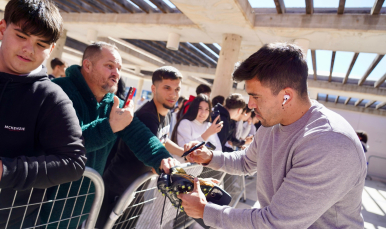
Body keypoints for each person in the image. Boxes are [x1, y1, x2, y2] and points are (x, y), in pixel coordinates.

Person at [179, 43, 367, 229]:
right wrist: (209, 157)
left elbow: (276, 223)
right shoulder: (272, 123)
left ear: (286, 96)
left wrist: (205, 211)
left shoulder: (329, 142)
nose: (250, 105)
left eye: (256, 97)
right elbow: (246, 162)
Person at [43, 42, 178, 228]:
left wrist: (163, 160)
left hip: (82, 207)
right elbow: (67, 141)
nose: (116, 73)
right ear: (88, 65)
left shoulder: (113, 103)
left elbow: (141, 136)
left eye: (119, 68)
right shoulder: (59, 90)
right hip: (42, 203)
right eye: (109, 66)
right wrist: (110, 126)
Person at [0, 0, 87, 228]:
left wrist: (6, 170)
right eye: (21, 36)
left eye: (41, 43)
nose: (29, 49)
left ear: (51, 48)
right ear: (2, 29)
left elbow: (74, 162)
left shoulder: (52, 98)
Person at [100, 66, 185, 228]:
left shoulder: (164, 114)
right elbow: (152, 156)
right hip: (118, 189)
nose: (173, 94)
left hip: (135, 189)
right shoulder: (147, 116)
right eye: (167, 88)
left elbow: (162, 140)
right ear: (153, 88)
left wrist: (184, 153)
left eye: (177, 89)